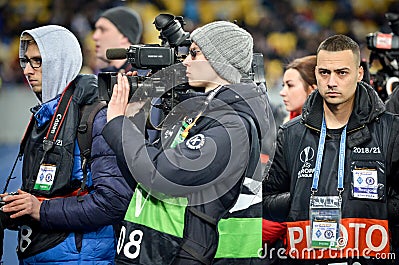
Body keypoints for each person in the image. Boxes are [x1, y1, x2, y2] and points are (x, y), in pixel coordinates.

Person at [102, 21, 275, 264]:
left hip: (192, 254)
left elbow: (160, 175)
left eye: (194, 53)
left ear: (219, 61)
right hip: (173, 250)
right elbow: (144, 179)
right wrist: (134, 118)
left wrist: (118, 125)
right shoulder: (206, 113)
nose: (185, 61)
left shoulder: (231, 125)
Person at [263, 34, 399, 264]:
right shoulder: (291, 133)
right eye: (325, 72)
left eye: (342, 73)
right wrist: (300, 199)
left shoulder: (392, 129)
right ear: (316, 73)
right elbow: (267, 201)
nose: (332, 81)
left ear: (359, 74)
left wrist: (365, 204)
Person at [0, 25, 132, 264]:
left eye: (38, 61)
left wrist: (39, 210)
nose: (28, 71)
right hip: (45, 253)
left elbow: (113, 201)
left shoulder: (96, 116)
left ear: (59, 61)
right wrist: (19, 208)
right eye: (25, 61)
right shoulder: (45, 116)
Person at [262, 55, 317, 262]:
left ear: (312, 89)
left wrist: (258, 236)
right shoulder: (289, 124)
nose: (282, 92)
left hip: (299, 243)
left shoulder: (308, 133)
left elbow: (296, 196)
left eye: (290, 85)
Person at [92, 6, 143, 73]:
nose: (94, 36)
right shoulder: (101, 75)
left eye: (103, 30)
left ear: (124, 37)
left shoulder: (143, 78)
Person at [280, 55, 317, 120]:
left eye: (290, 85)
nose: (282, 93)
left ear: (313, 90)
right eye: (283, 85)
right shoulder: (287, 125)